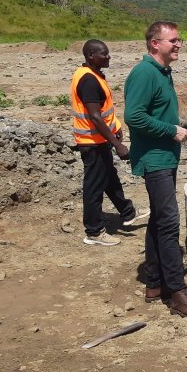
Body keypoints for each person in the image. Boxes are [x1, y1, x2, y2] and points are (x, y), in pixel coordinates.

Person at [124, 21, 187, 319]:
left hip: (165, 157)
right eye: (172, 40)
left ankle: (155, 282)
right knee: (170, 222)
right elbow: (133, 117)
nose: (178, 44)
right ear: (154, 44)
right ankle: (177, 292)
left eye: (179, 40)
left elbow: (153, 113)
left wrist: (176, 129)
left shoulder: (162, 72)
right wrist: (170, 130)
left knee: (160, 218)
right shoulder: (144, 73)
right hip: (155, 159)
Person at [71, 39, 146, 246]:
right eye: (103, 54)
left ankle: (128, 212)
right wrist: (117, 144)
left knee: (110, 178)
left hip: (98, 139)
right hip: (91, 141)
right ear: (91, 57)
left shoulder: (92, 75)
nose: (108, 57)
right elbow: (95, 116)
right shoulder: (88, 80)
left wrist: (116, 126)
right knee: (94, 186)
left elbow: (104, 112)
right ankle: (94, 232)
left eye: (108, 53)